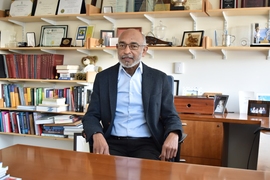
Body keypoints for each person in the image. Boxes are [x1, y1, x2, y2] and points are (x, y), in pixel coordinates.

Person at [82, 29, 183, 161]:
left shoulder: (159, 79)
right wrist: (96, 134)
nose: (127, 51)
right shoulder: (103, 78)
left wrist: (174, 134)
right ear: (117, 48)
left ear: (144, 50)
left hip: (147, 144)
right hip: (112, 143)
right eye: (122, 45)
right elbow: (91, 115)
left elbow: (171, 116)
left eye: (133, 46)